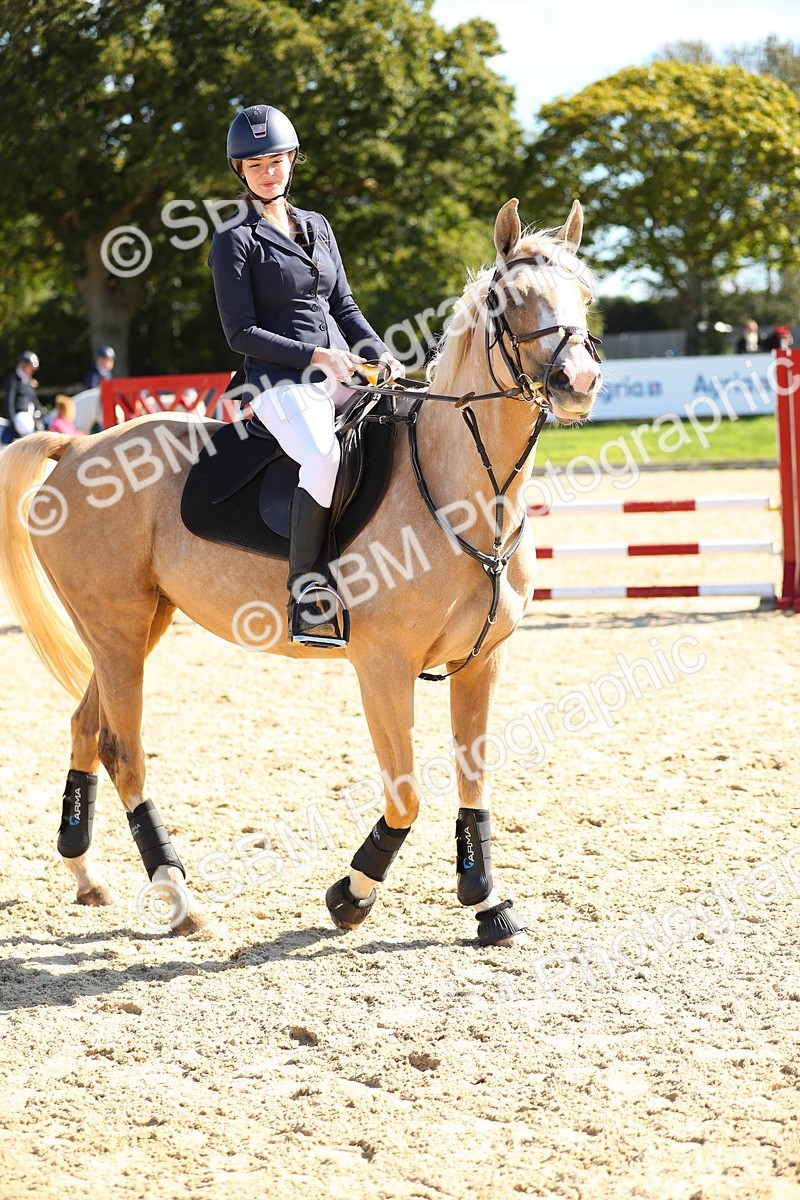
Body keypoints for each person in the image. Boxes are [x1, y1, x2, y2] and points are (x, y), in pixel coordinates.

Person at [208, 103, 402, 647]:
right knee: (322, 456)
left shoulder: (317, 226)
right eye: (256, 165)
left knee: (408, 420)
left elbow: (344, 307)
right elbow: (239, 334)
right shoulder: (233, 239)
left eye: (276, 160)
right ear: (240, 172)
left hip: (340, 370)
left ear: (292, 161)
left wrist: (377, 351)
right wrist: (319, 358)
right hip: (278, 383)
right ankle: (307, 592)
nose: (269, 171)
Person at [2, 350, 43, 443]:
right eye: (31, 367)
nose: (32, 370)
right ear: (23, 365)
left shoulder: (27, 381)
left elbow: (33, 399)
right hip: (20, 417)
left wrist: (41, 409)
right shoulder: (13, 381)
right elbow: (9, 401)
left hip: (31, 415)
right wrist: (12, 420)